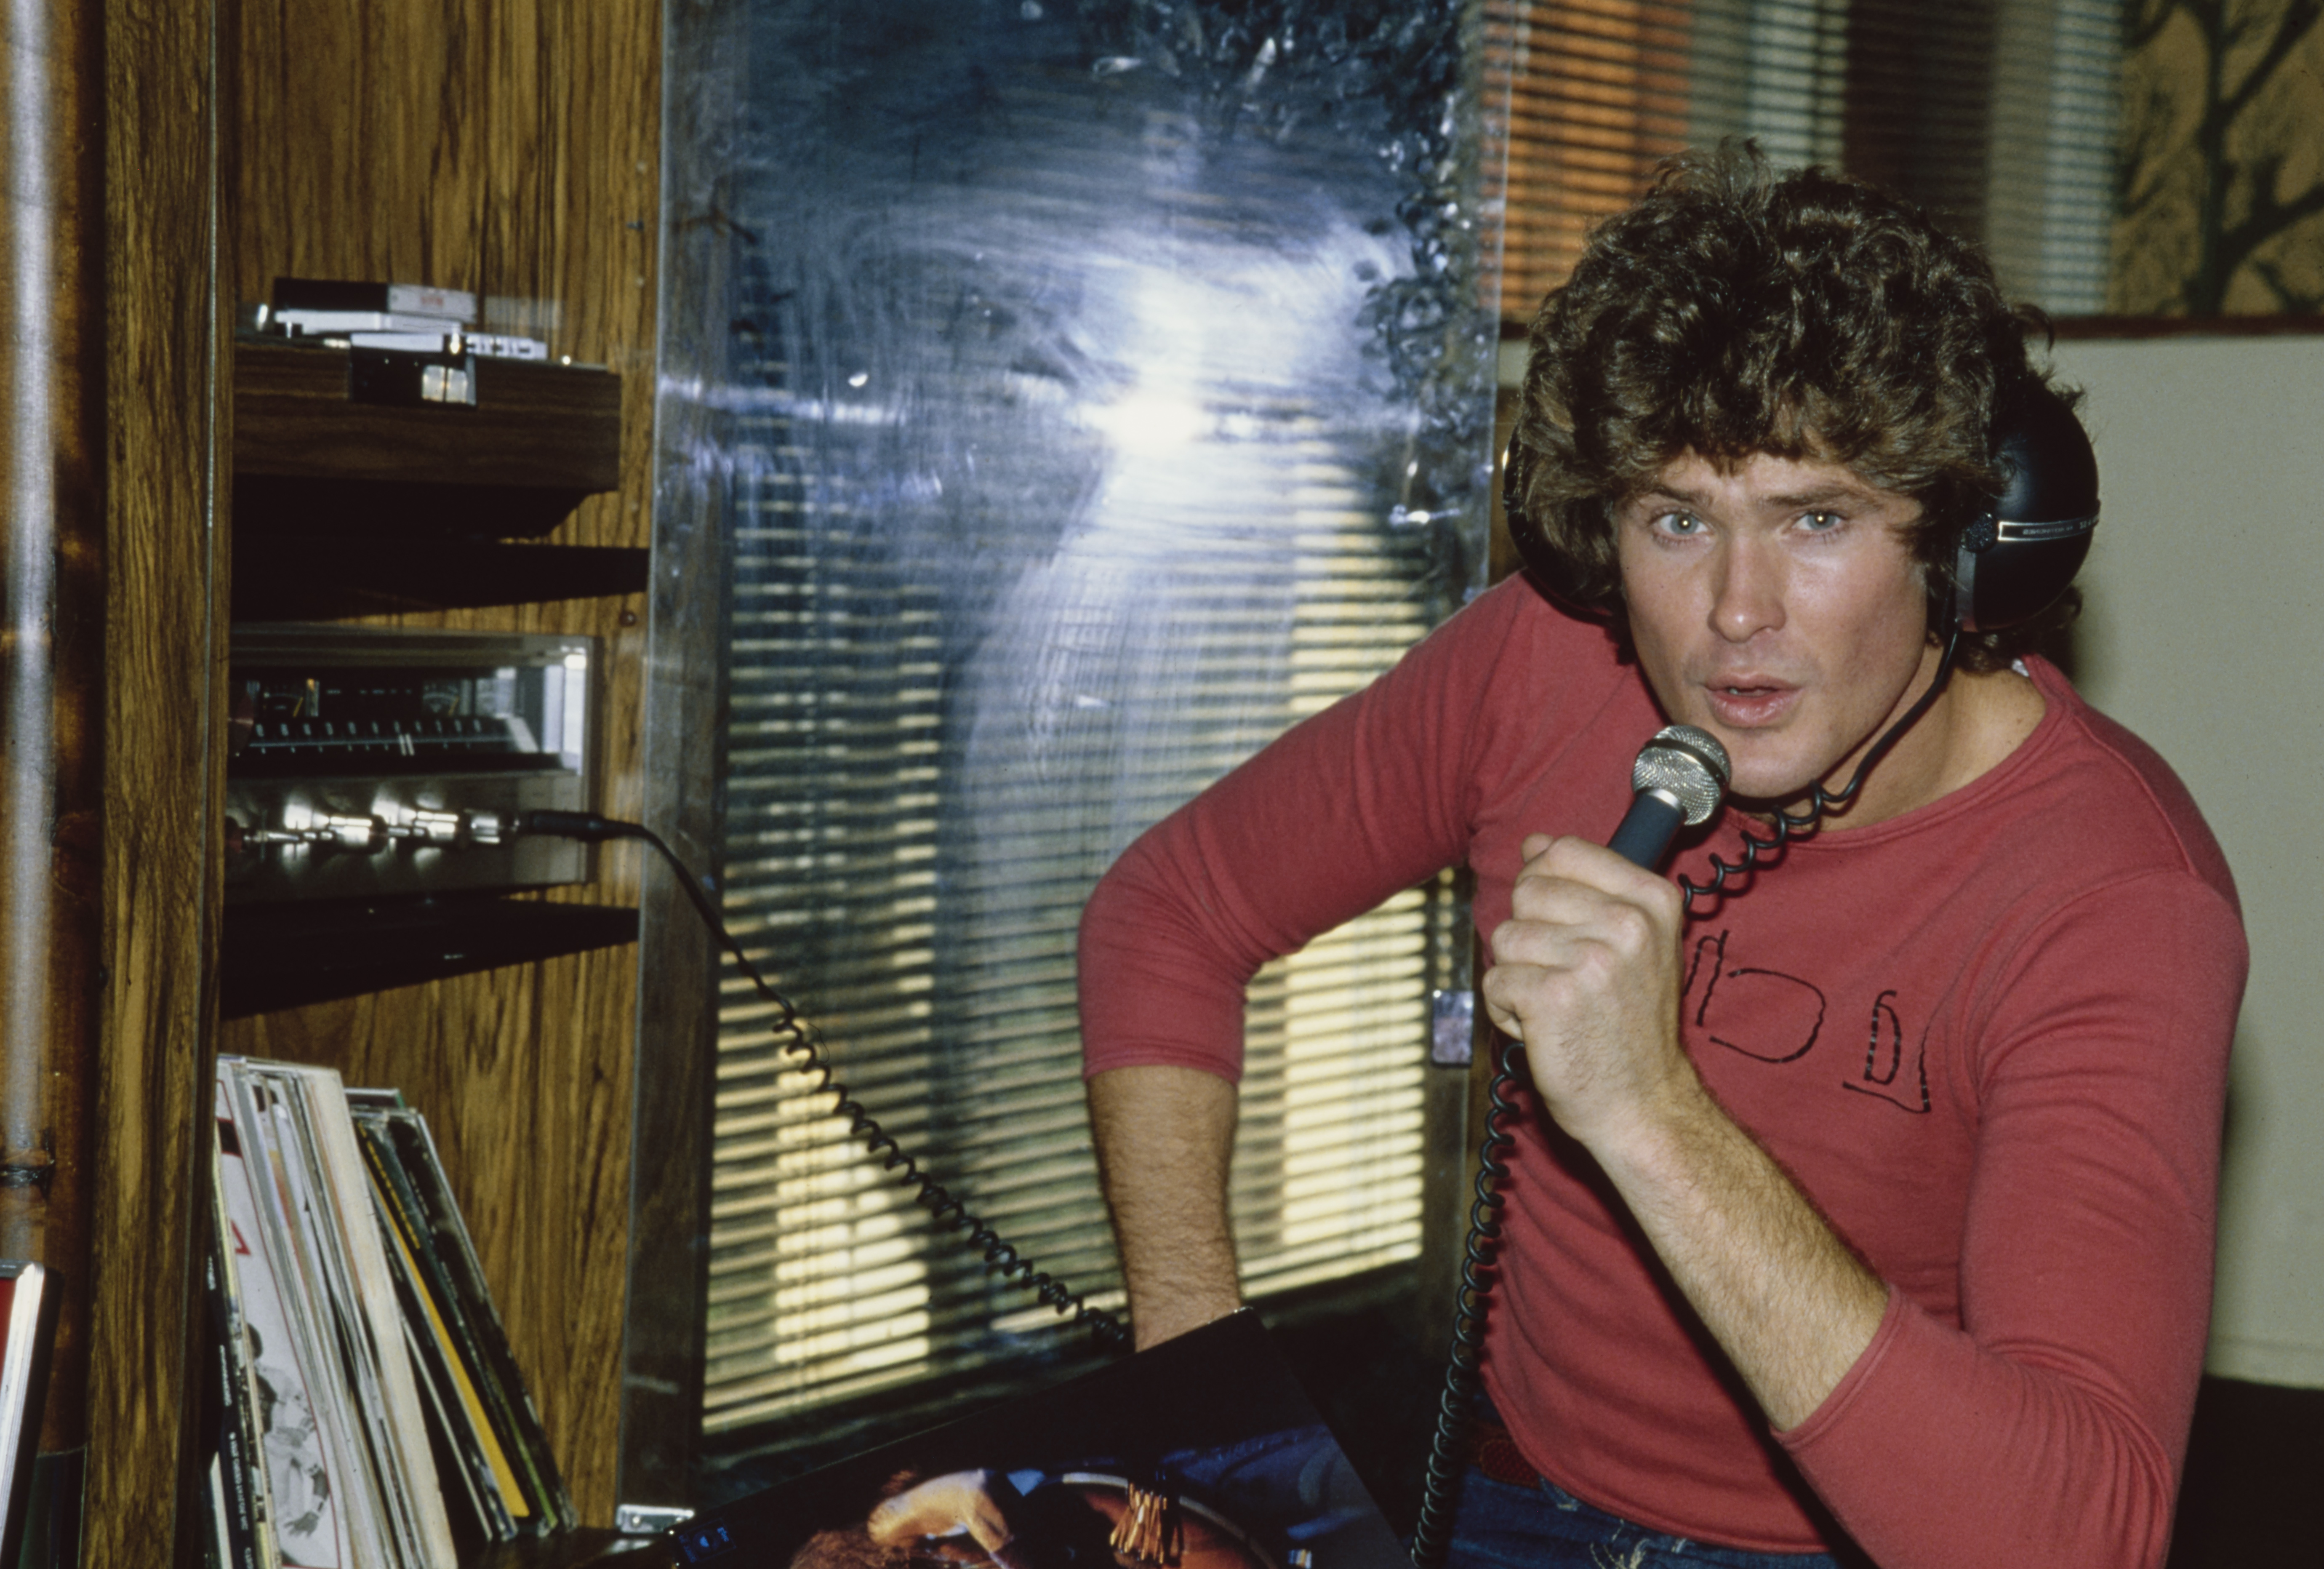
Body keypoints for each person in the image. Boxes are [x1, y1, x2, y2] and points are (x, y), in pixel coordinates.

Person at [1074, 147, 2246, 1569]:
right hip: (1510, 1497)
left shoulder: (2120, 899)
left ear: (1965, 543)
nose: (1734, 613)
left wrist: (1650, 1113)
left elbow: (2076, 1540)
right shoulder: (1541, 666)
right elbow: (1171, 911)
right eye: (1676, 520)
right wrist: (1202, 1398)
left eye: (1816, 518)